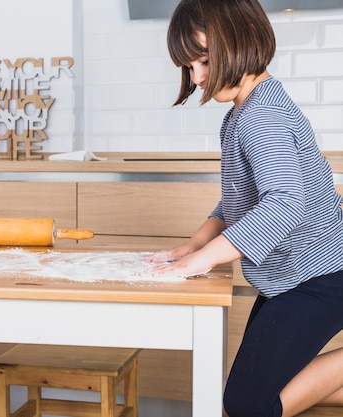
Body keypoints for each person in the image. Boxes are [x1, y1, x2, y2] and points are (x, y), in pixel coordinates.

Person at [146, 0, 343, 416]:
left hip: (323, 275)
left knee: (248, 404)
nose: (197, 78)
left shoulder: (261, 116)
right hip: (293, 276)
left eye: (203, 61)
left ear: (243, 40)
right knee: (259, 394)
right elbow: (245, 196)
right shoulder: (244, 111)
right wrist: (195, 244)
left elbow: (284, 202)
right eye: (187, 67)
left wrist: (197, 262)